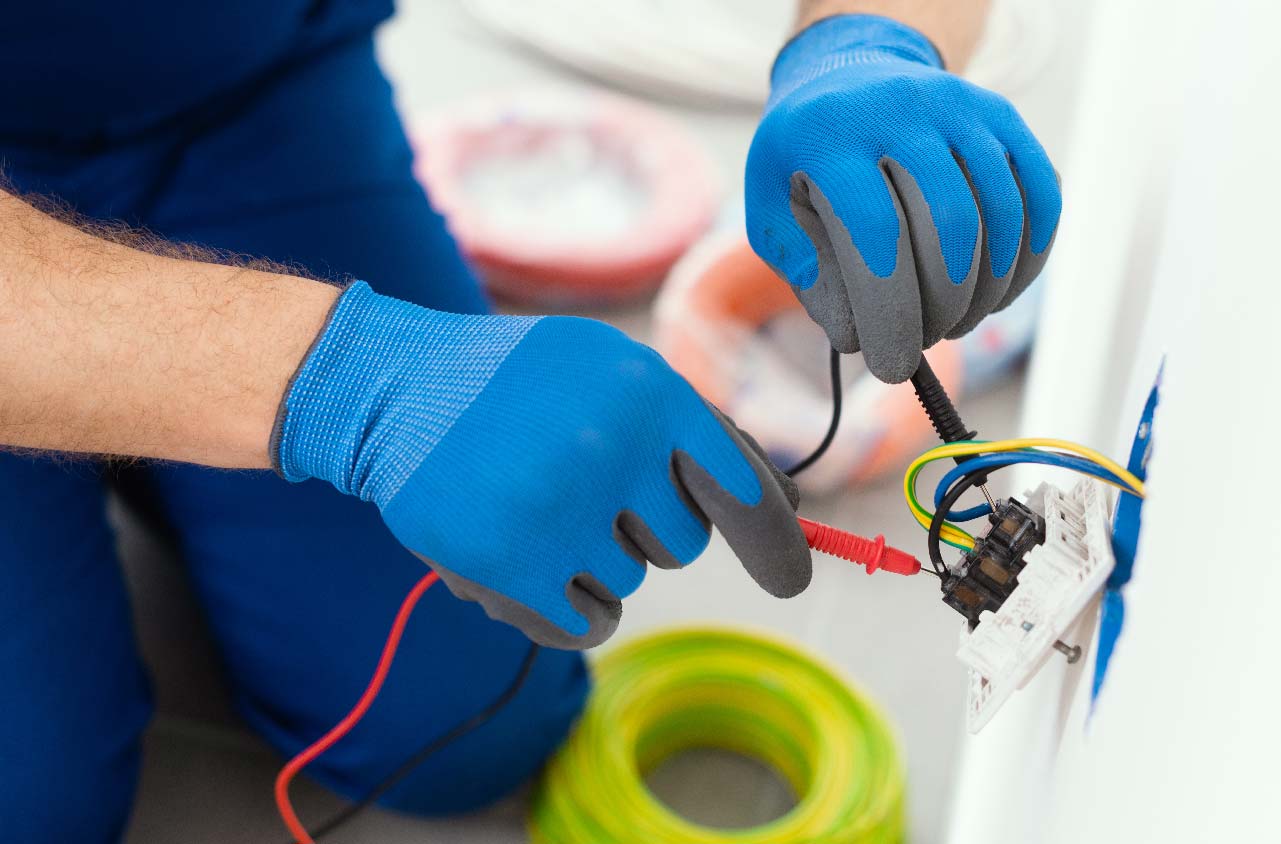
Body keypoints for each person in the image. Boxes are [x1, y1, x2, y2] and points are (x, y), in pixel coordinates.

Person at [0, 0, 1059, 839]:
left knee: (470, 719)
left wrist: (867, 41)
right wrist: (350, 381)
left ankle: (145, 435)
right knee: (30, 802)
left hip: (238, 87)